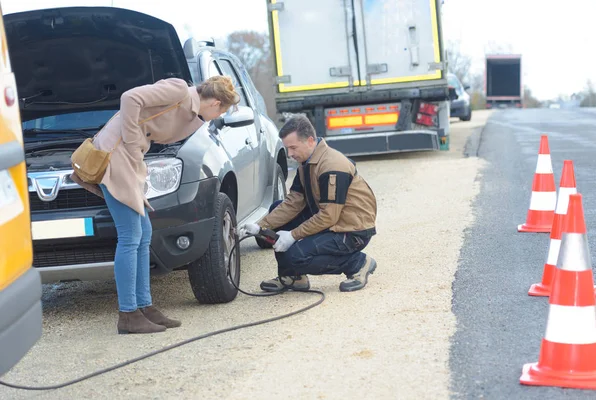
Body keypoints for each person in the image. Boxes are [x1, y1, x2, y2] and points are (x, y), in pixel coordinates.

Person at [72, 76, 239, 334]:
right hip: (117, 155)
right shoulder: (179, 90)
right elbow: (130, 98)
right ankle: (128, 314)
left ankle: (144, 307)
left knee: (143, 232)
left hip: (130, 159)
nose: (217, 115)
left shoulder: (190, 107)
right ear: (216, 103)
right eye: (221, 111)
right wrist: (131, 140)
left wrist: (134, 147)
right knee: (130, 235)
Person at [239, 114, 377, 293]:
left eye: (293, 148)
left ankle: (357, 263)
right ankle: (293, 277)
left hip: (351, 231)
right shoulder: (306, 163)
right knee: (277, 210)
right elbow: (292, 203)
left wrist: (293, 235)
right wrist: (259, 226)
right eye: (287, 148)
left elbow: (329, 216)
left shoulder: (332, 166)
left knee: (296, 256)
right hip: (331, 220)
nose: (289, 154)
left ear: (310, 140)